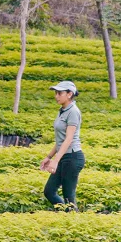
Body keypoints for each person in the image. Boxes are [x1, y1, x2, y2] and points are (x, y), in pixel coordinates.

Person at [41, 80, 84, 208]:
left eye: (60, 93)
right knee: (49, 191)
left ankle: (74, 222)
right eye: (56, 93)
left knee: (68, 197)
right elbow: (60, 139)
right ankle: (67, 215)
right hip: (64, 156)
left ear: (69, 94)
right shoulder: (63, 110)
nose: (56, 96)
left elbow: (68, 139)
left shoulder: (73, 112)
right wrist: (49, 157)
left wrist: (55, 160)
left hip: (72, 157)